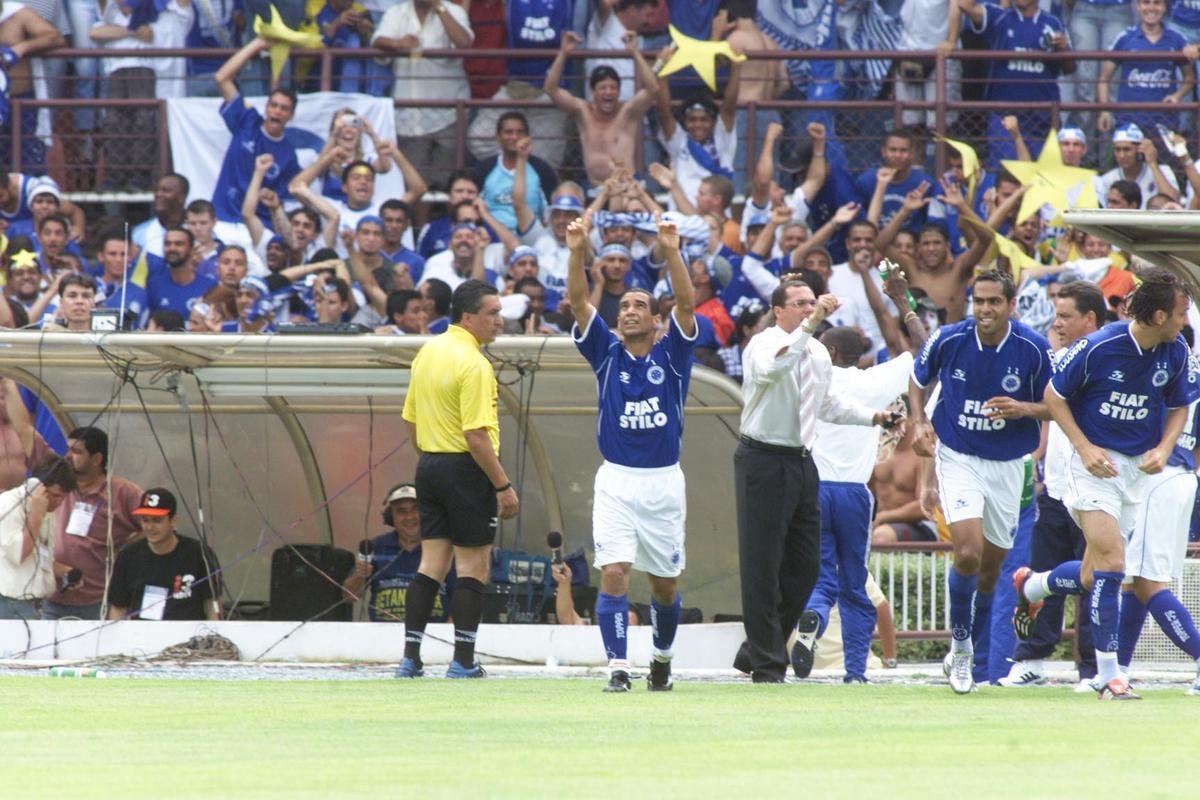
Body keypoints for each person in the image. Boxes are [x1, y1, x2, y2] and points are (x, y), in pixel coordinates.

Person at [1014, 268, 1198, 699]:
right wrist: (1083, 448)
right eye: (1180, 312)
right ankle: (1108, 676)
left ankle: (1033, 585)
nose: (1184, 320)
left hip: (1136, 470)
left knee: (1094, 571)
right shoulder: (1100, 347)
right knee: (1114, 564)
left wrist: (1163, 446)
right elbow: (1054, 397)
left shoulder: (1175, 350)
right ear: (1156, 316)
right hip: (1092, 465)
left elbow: (1180, 405)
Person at [734, 281, 897, 682]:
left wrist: (872, 417)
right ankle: (768, 664)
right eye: (799, 304)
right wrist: (811, 325)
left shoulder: (819, 352)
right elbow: (774, 370)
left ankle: (756, 649)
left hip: (803, 460)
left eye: (811, 302)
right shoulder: (763, 344)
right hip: (763, 456)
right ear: (778, 311)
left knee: (806, 568)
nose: (808, 308)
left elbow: (826, 404)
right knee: (763, 564)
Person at [564, 211, 696, 692]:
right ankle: (617, 667)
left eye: (640, 305)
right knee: (615, 572)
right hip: (616, 479)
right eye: (625, 308)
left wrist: (672, 249)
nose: (630, 311)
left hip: (663, 483)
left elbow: (686, 301)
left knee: (664, 585)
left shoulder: (673, 355)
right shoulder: (607, 352)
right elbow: (578, 302)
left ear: (656, 321)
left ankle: (661, 658)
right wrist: (577, 252)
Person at [909, 269, 1051, 694]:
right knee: (967, 554)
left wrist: (1023, 409)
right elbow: (917, 381)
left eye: (993, 302)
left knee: (990, 574)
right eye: (979, 301)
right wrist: (918, 422)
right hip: (959, 457)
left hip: (1009, 465)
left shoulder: (1033, 348)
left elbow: (1057, 406)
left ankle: (970, 644)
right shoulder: (951, 338)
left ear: (1010, 305)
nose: (985, 310)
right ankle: (961, 646)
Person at [791, 277, 927, 684]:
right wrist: (902, 301)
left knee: (820, 574)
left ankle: (813, 615)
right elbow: (926, 349)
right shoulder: (874, 383)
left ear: (829, 352)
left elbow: (781, 351)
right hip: (853, 493)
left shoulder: (811, 377)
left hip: (813, 489)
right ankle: (855, 673)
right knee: (855, 581)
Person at [397, 279, 519, 678]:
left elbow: (412, 423)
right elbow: (476, 435)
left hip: (429, 465)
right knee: (472, 568)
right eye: (493, 314)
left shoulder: (427, 352)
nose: (499, 322)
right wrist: (502, 486)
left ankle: (410, 658)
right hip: (466, 469)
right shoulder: (475, 363)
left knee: (430, 564)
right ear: (468, 317)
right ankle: (463, 661)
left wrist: (433, 460)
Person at [999, 281, 1106, 688]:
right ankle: (1031, 660)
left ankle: (1094, 668)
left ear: (1090, 319)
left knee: (1094, 577)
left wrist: (1025, 408)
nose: (1057, 323)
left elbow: (1064, 402)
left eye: (1065, 316)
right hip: (1056, 487)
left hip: (1095, 488)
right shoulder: (1058, 357)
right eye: (1056, 315)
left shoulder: (1103, 357)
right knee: (1044, 572)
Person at [372, 0, 474, 188]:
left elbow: (464, 43)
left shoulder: (455, 11)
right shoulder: (397, 13)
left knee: (447, 182)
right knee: (414, 182)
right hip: (410, 117)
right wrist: (398, 43)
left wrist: (439, 8)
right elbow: (377, 40)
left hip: (449, 114)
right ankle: (420, 219)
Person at [958, 0, 1073, 165]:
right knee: (1006, 174)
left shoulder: (1053, 22)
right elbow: (964, 5)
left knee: (1040, 180)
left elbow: (1070, 68)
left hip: (1042, 118)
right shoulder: (998, 16)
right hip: (1003, 115)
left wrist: (1063, 48)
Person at [544, 31, 659, 188]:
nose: (608, 92)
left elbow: (653, 88)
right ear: (593, 92)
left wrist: (635, 53)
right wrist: (563, 53)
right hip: (595, 190)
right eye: (602, 88)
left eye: (613, 88)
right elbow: (551, 89)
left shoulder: (628, 112)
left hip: (626, 189)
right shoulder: (582, 111)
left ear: (618, 92)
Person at [342, 484, 454, 622]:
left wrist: (448, 634)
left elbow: (463, 597)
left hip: (434, 637)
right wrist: (359, 576)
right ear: (390, 517)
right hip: (383, 637)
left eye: (415, 509)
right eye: (401, 511)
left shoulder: (443, 549)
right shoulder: (376, 547)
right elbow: (349, 597)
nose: (409, 517)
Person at [107, 488, 221, 621]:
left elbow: (211, 603)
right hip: (141, 635)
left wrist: (216, 633)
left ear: (173, 521)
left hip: (188, 635)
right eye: (145, 520)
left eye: (157, 520)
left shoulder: (199, 553)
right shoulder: (128, 555)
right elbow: (118, 607)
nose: (149, 527)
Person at [1097, 0, 1193, 138]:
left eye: (1157, 3)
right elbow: (1104, 78)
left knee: (1164, 160)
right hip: (1128, 121)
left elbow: (1189, 77)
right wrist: (1104, 111)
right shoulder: (1124, 38)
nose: (1151, 8)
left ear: (1165, 7)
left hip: (1165, 121)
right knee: (1125, 157)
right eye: (1146, 2)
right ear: (1138, 6)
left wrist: (1177, 96)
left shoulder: (1176, 39)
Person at [0, 454, 76, 620]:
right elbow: (19, 554)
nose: (59, 502)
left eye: (63, 497)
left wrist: (63, 571)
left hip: (37, 602)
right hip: (11, 602)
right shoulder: (9, 504)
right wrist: (36, 515)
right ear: (40, 487)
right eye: (56, 495)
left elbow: (38, 557)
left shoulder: (47, 508)